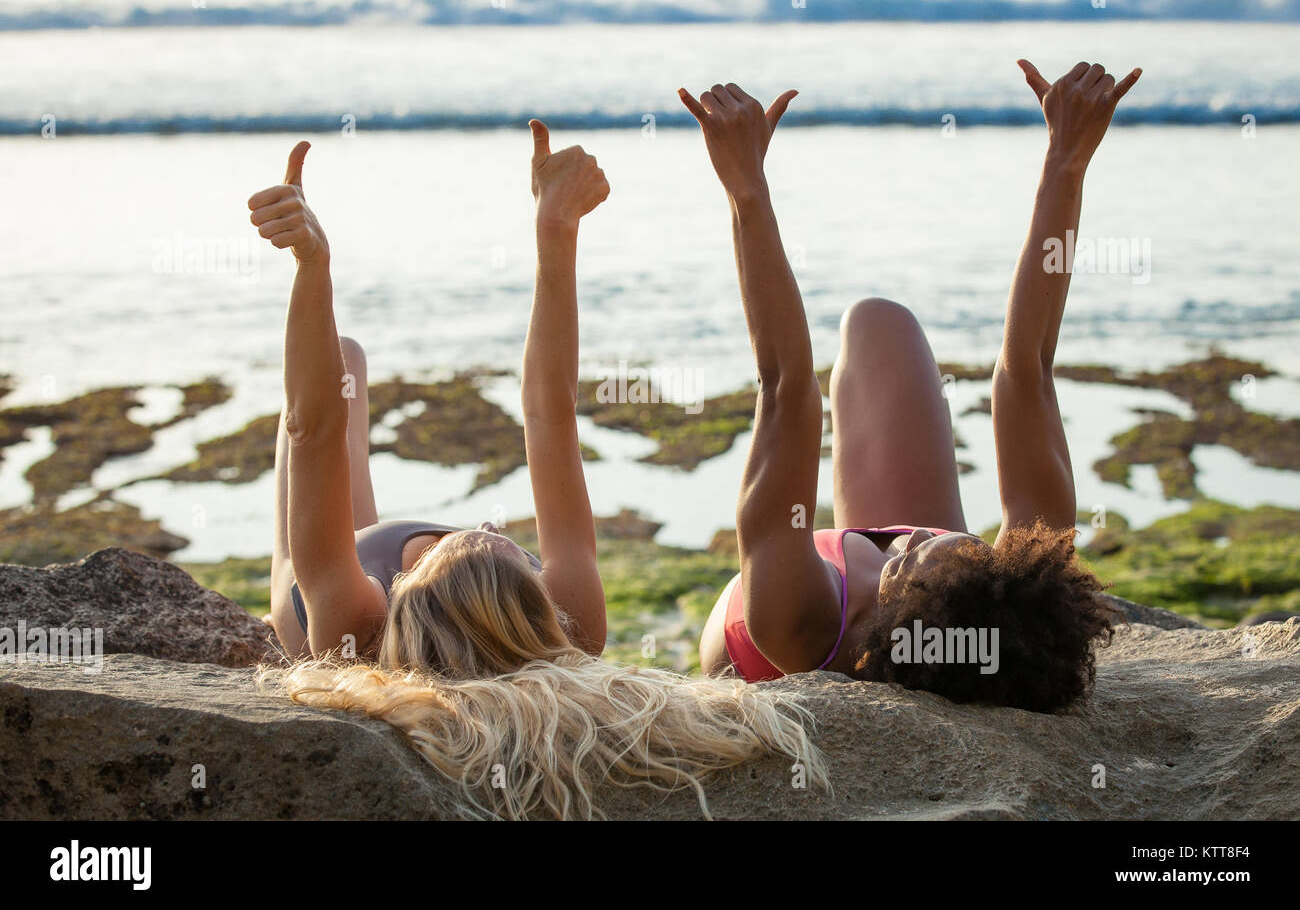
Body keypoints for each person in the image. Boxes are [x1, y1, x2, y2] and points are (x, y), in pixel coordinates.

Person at [246, 124, 825, 819]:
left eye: (482, 538)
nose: (490, 520)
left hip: (319, 583)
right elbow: (551, 411)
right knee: (346, 365)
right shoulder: (570, 616)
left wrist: (313, 264)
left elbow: (312, 429)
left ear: (419, 587)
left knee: (340, 365)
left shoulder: (350, 621)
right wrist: (557, 229)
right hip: (430, 603)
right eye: (512, 547)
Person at [687, 61, 1140, 713]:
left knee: (813, 404)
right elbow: (1028, 369)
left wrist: (745, 189)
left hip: (770, 627)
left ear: (896, 615)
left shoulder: (800, 621)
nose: (905, 540)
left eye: (905, 563)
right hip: (931, 619)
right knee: (880, 323)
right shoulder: (1009, 592)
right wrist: (1067, 164)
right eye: (929, 546)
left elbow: (786, 387)